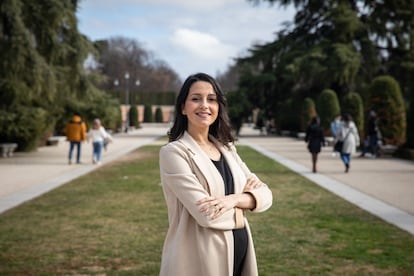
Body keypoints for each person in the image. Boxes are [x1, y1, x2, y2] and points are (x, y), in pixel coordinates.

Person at [158, 73, 273, 276]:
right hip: (199, 260)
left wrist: (233, 199)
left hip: (240, 257)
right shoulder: (174, 153)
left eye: (211, 99)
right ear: (183, 108)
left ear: (218, 107)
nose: (204, 105)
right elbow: (207, 215)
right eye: (196, 99)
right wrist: (248, 202)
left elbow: (266, 194)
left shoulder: (227, 149)